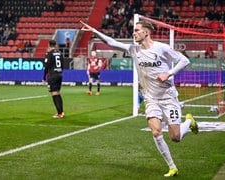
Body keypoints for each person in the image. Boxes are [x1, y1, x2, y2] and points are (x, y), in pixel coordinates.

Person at [80, 20, 199, 177]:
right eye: (133, 30)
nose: (133, 33)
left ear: (146, 33)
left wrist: (168, 73)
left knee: (175, 137)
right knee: (156, 131)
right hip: (151, 98)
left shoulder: (161, 48)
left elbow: (184, 60)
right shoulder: (133, 49)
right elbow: (112, 42)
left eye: (136, 30)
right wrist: (95, 30)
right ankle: (172, 167)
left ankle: (189, 122)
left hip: (168, 97)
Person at [42, 40, 64, 118]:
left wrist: (44, 77)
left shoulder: (49, 53)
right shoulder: (60, 53)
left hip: (53, 75)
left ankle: (59, 113)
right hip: (59, 74)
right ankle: (61, 112)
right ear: (55, 45)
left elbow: (47, 66)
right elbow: (62, 64)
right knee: (58, 92)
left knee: (54, 93)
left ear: (49, 45)